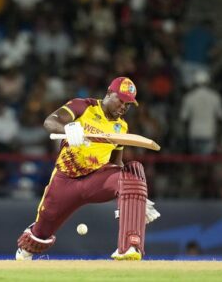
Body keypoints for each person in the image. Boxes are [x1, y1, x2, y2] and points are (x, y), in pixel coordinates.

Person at [15, 77, 160, 261]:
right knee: (40, 234)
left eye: (128, 104)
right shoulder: (83, 106)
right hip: (65, 180)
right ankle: (24, 253)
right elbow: (50, 122)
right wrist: (68, 128)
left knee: (133, 171)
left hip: (95, 181)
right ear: (108, 93)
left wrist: (135, 195)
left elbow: (116, 165)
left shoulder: (121, 127)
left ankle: (130, 246)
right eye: (121, 100)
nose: (124, 107)